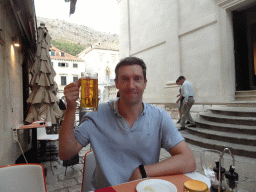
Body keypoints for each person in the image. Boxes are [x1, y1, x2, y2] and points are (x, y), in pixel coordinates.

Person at [59, 57, 196, 190]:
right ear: (116, 83)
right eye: (125, 79)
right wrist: (71, 108)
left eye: (137, 79)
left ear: (145, 83)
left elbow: (188, 160)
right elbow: (65, 154)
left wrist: (142, 171)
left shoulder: (159, 116)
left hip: (143, 189)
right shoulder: (96, 115)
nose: (131, 86)